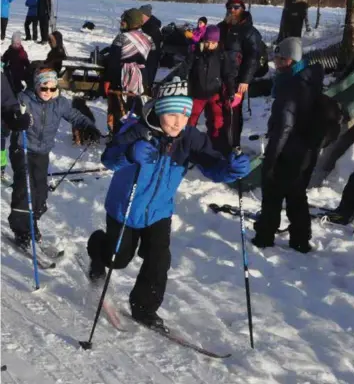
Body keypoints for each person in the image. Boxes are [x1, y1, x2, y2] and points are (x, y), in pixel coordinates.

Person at [86, 77, 250, 330]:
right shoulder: (135, 130)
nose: (178, 122)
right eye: (172, 114)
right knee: (118, 259)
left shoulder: (189, 137)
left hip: (159, 211)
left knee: (158, 259)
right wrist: (130, 153)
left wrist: (231, 169)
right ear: (159, 110)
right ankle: (98, 249)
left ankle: (144, 308)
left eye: (184, 115)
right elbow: (109, 159)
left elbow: (213, 166)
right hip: (125, 207)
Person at [8, 69, 101, 250]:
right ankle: (21, 230)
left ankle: (32, 221)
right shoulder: (24, 99)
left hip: (42, 152)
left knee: (41, 191)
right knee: (25, 187)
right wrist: (16, 119)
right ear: (36, 86)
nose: (48, 92)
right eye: (44, 88)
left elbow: (75, 116)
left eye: (52, 88)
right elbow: (9, 114)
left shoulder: (60, 103)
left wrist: (88, 127)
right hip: (22, 148)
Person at [252, 37, 324, 253]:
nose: (275, 62)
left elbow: (285, 125)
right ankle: (300, 239)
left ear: (289, 60)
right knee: (296, 195)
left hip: (289, 150)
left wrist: (271, 159)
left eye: (278, 58)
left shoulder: (291, 86)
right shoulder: (308, 79)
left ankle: (264, 236)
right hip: (305, 149)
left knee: (272, 191)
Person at [218, 0, 262, 147]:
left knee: (233, 113)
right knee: (218, 113)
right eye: (230, 8)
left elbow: (253, 56)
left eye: (236, 7)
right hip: (218, 77)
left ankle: (233, 146)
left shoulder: (249, 31)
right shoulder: (221, 27)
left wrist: (245, 79)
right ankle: (219, 144)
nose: (232, 10)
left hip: (237, 80)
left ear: (243, 9)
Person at [184, 25, 236, 154]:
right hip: (197, 93)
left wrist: (230, 90)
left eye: (213, 43)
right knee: (190, 121)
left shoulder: (222, 56)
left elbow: (228, 74)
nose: (209, 45)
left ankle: (215, 147)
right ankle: (187, 146)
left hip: (214, 93)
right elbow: (186, 69)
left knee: (216, 121)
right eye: (207, 42)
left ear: (217, 42)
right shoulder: (196, 53)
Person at [104, 8, 153, 134]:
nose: (121, 22)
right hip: (141, 79)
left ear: (130, 22)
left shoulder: (121, 38)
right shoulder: (148, 38)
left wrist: (108, 80)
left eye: (124, 20)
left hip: (121, 78)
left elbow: (113, 62)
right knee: (138, 108)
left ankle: (118, 135)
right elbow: (151, 61)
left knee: (119, 109)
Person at [139, 4, 162, 90]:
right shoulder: (146, 24)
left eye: (141, 15)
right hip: (147, 53)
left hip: (152, 54)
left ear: (146, 15)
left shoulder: (151, 26)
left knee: (149, 74)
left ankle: (147, 89)